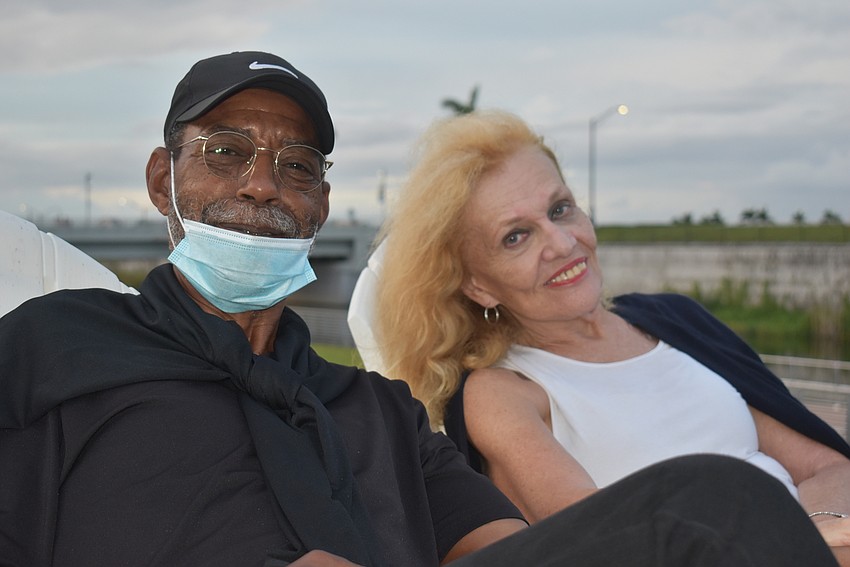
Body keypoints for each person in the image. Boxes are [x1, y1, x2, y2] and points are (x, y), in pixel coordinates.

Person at [0, 53, 839, 567]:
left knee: (716, 502)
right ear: (162, 180)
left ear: (322, 204)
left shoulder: (372, 408)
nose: (263, 182)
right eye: (226, 152)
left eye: (297, 165)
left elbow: (509, 547)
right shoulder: (55, 344)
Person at [364, 109, 850, 564]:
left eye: (560, 209)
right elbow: (611, 543)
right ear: (478, 285)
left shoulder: (672, 319)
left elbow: (827, 467)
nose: (561, 243)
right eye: (516, 236)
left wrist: (815, 533)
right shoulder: (502, 393)